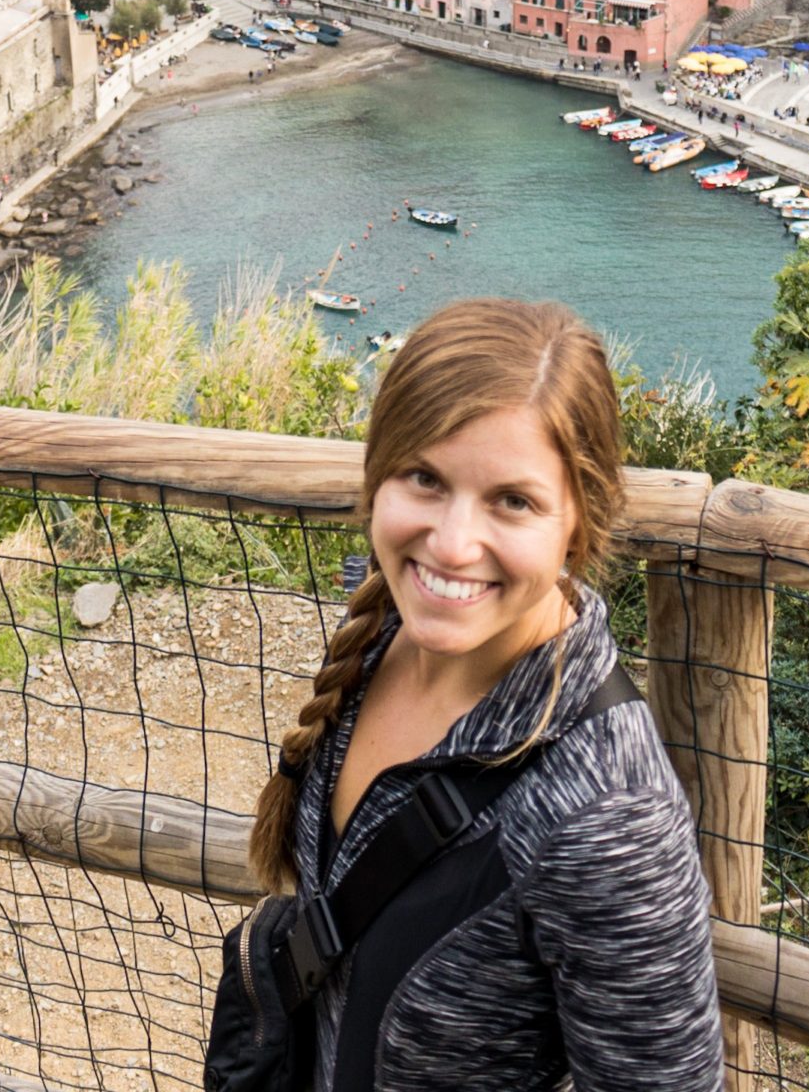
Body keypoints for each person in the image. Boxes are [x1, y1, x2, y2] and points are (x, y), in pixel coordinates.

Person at [247, 299, 724, 1090]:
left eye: (513, 500)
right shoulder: (387, 637)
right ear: (378, 475)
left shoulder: (608, 817)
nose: (453, 544)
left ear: (580, 520)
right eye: (425, 479)